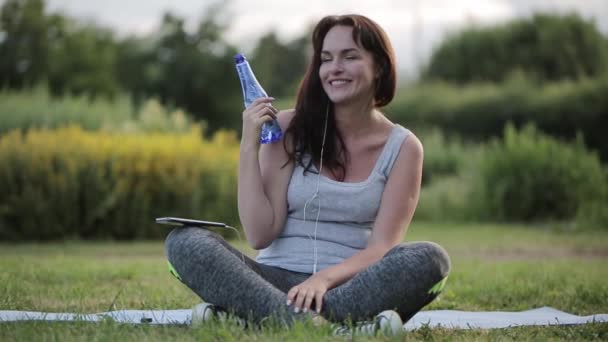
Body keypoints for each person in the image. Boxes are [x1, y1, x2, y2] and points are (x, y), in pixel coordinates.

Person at [165, 14, 450, 333]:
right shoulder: (288, 128)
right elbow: (260, 234)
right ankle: (327, 327)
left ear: (380, 66)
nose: (334, 68)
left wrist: (322, 279)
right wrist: (249, 144)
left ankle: (264, 319)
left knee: (430, 258)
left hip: (350, 288)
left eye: (350, 56)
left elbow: (381, 248)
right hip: (270, 282)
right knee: (185, 242)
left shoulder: (404, 148)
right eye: (326, 59)